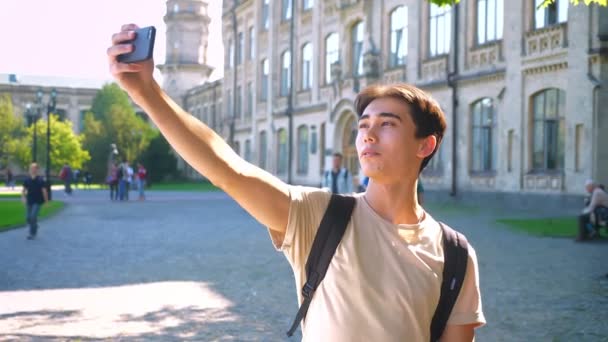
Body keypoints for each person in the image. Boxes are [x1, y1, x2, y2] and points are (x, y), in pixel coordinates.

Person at [107, 25, 485, 341]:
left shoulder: (455, 254)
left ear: (425, 144)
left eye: (387, 124)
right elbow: (229, 170)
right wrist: (147, 93)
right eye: (363, 125)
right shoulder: (318, 215)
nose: (368, 135)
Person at [21, 163, 49, 240]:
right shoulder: (27, 180)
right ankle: (35, 225)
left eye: (34, 168)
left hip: (38, 201)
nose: (32, 170)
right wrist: (23, 198)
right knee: (28, 218)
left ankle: (32, 233)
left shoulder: (40, 180)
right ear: (29, 170)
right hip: (29, 200)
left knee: (33, 216)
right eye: (31, 168)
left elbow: (44, 191)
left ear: (37, 170)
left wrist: (46, 201)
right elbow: (23, 191)